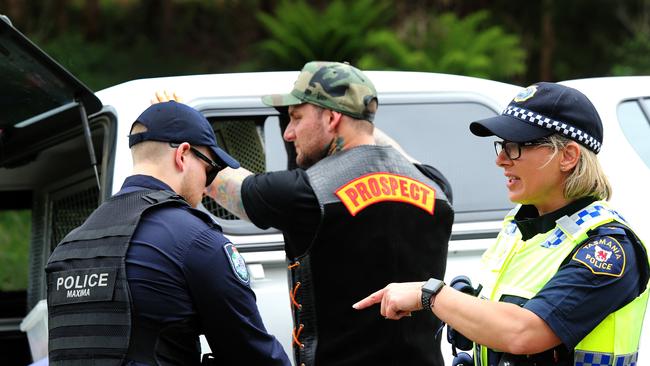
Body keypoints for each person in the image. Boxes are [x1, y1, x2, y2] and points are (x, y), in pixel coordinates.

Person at [354, 82, 650, 366]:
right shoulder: (520, 228)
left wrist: (429, 295)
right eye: (503, 146)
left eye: (517, 146)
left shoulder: (608, 248)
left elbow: (524, 332)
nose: (502, 160)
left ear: (568, 156)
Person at [194, 61, 454, 366]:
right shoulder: (437, 188)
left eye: (296, 118)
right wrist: (358, 114)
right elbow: (381, 145)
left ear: (332, 118)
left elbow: (216, 178)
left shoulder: (306, 193)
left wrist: (180, 128)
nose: (289, 133)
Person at [45, 101, 290, 366]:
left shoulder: (68, 246)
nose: (206, 185)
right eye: (209, 170)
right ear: (182, 155)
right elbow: (251, 354)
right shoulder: (196, 240)